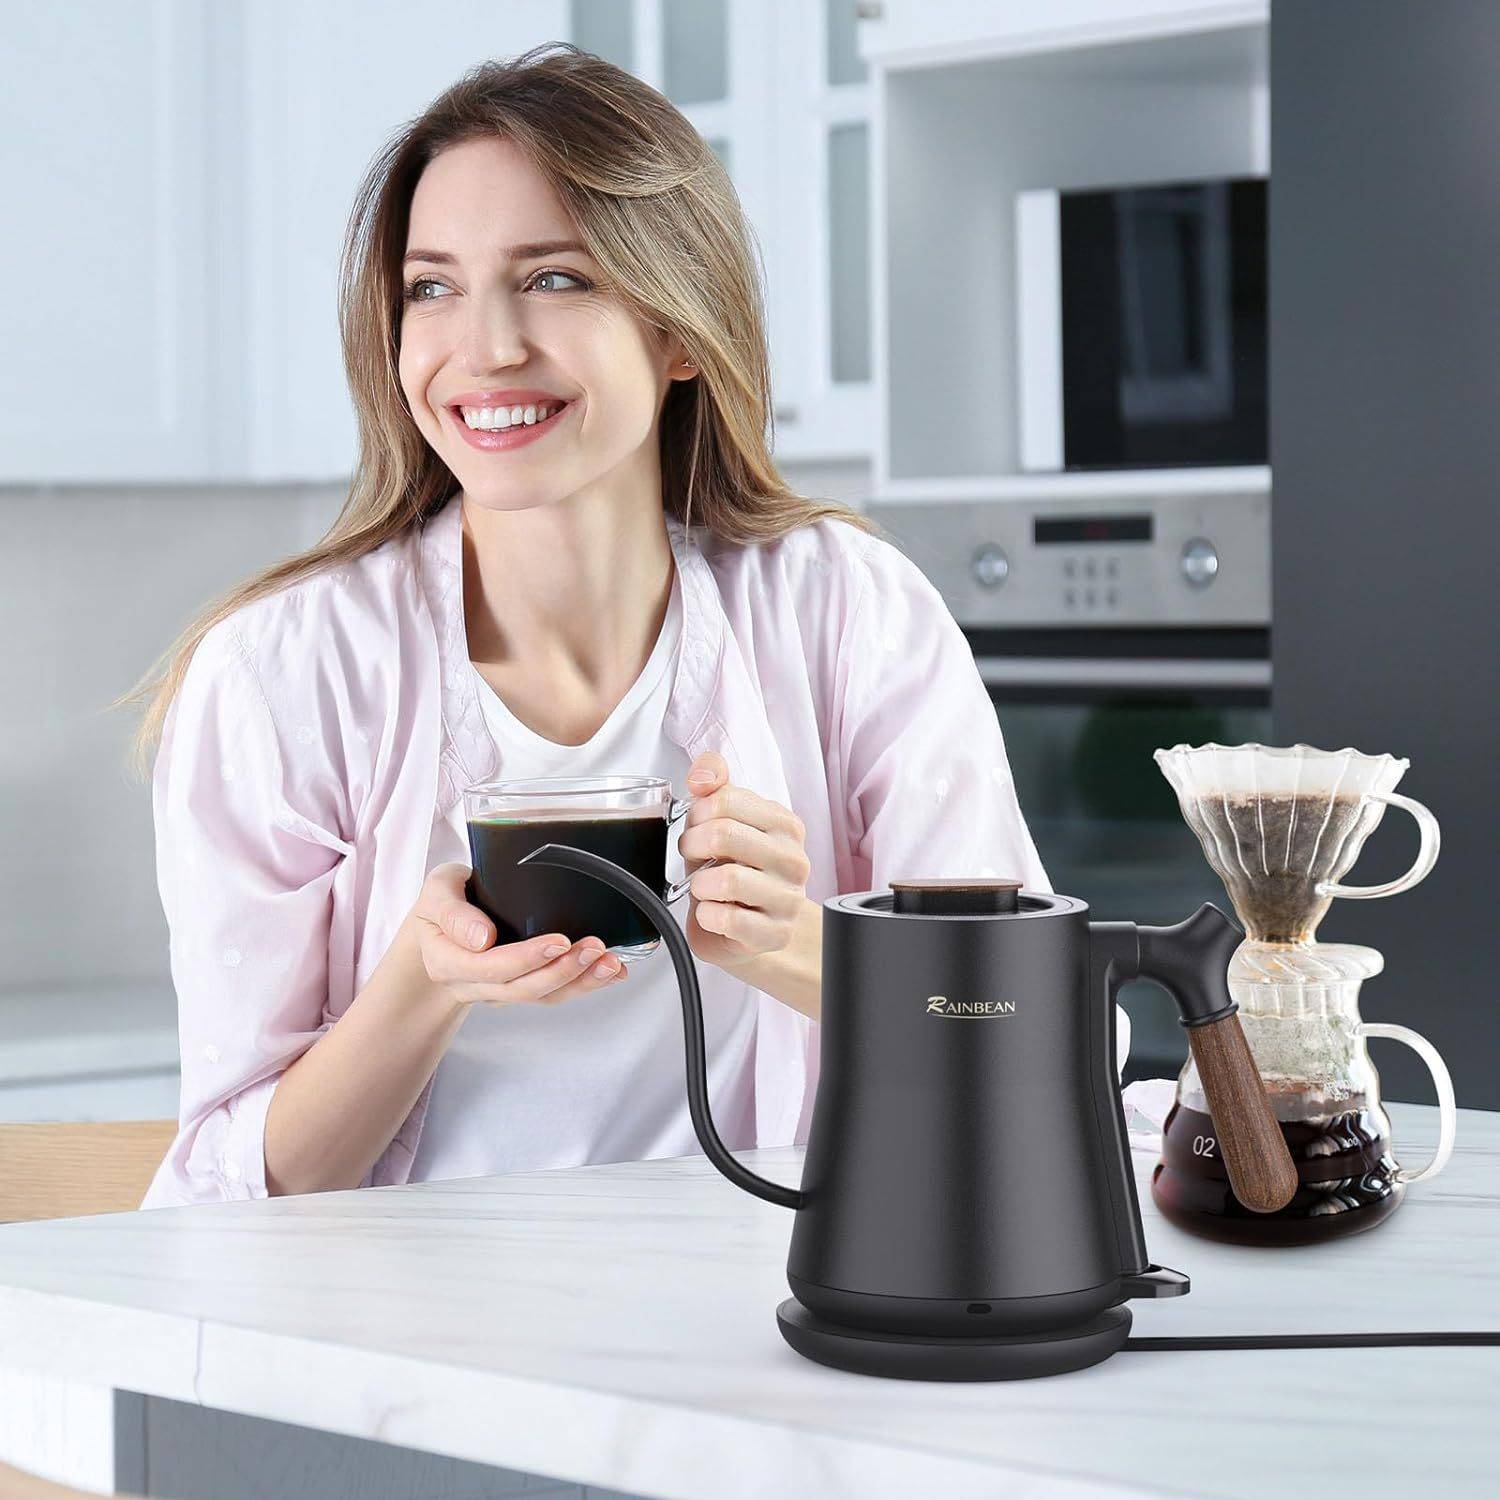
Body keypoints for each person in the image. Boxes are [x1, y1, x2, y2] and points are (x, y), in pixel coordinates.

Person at [123, 44, 1123, 1207]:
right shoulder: (281, 675)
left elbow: (1042, 1055)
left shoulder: (849, 611)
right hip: (409, 1354)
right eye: (432, 287)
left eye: (555, 278)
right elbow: (240, 1192)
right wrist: (422, 982)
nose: (485, 347)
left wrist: (797, 945)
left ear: (681, 331)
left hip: (781, 1331)